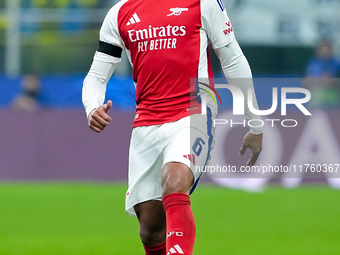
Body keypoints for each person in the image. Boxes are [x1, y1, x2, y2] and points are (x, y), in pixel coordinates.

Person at [82, 0, 263, 254]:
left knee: (175, 180)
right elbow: (97, 76)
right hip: (147, 119)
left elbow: (232, 58)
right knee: (150, 229)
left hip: (194, 109)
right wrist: (92, 107)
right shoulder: (120, 12)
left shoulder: (203, 3)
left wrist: (255, 122)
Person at [305, 40, 340, 108]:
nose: (325, 52)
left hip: (333, 98)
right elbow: (307, 82)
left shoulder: (337, 64)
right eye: (323, 50)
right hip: (316, 98)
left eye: (327, 50)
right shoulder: (313, 63)